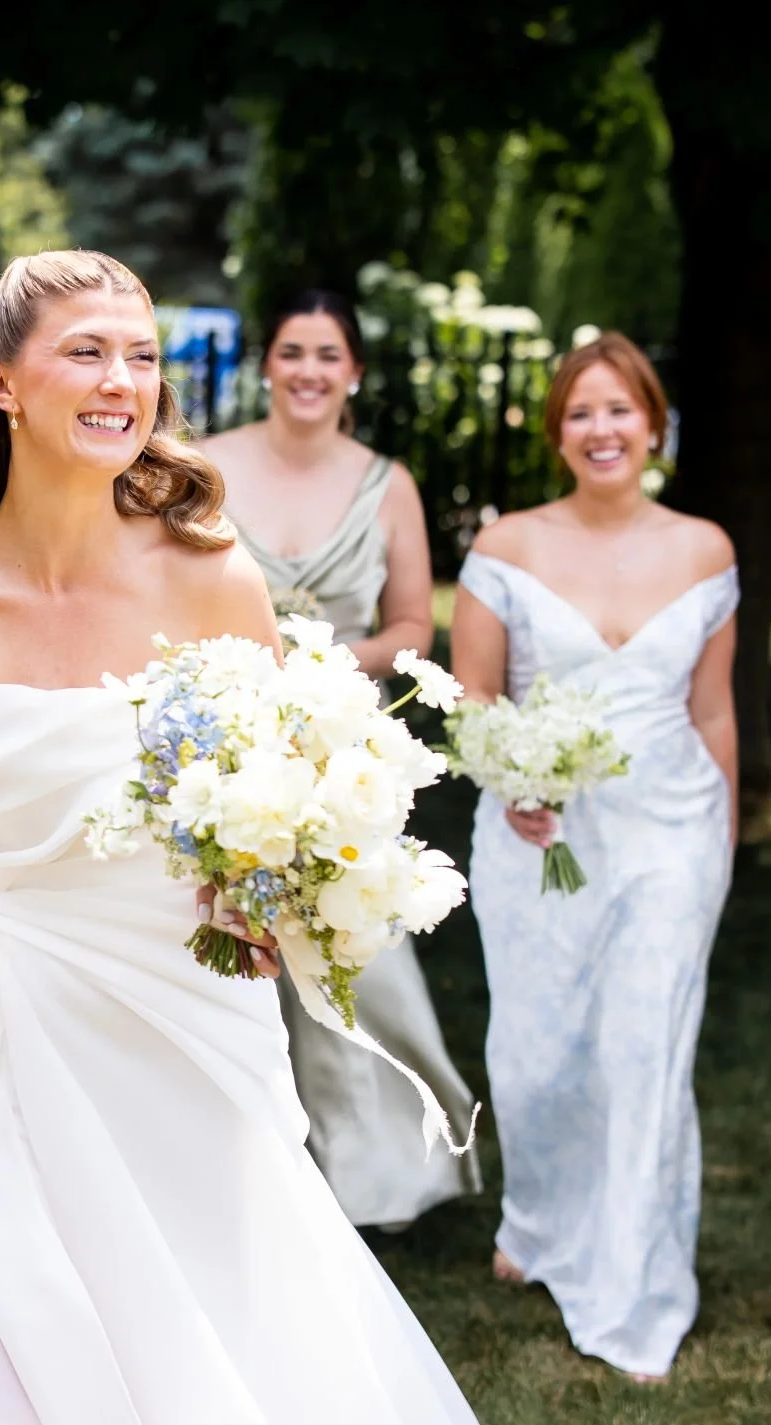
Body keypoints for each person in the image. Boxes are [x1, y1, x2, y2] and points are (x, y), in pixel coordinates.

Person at [0, 250, 483, 1425]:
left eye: (141, 355)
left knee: (203, 1352)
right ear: (3, 384)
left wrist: (268, 895)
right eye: (85, 350)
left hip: (181, 1018)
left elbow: (267, 796)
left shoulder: (213, 579)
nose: (122, 379)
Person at [447, 333, 737, 1382]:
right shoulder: (507, 544)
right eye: (581, 412)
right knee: (533, 1048)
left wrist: (720, 842)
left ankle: (632, 1282)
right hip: (538, 829)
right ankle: (538, 1218)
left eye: (620, 410)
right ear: (555, 430)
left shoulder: (705, 547)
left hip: (668, 827)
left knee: (640, 1048)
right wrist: (510, 779)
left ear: (652, 422)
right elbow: (470, 695)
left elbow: (709, 705)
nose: (602, 429)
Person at [199, 289, 482, 1229]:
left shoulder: (385, 482)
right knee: (229, 933)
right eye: (291, 350)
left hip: (341, 741)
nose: (309, 370)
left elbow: (412, 623)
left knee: (347, 940)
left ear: (352, 371)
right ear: (268, 364)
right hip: (232, 737)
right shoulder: (211, 467)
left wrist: (315, 665)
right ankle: (239, 1164)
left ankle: (367, 1174)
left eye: (328, 354)